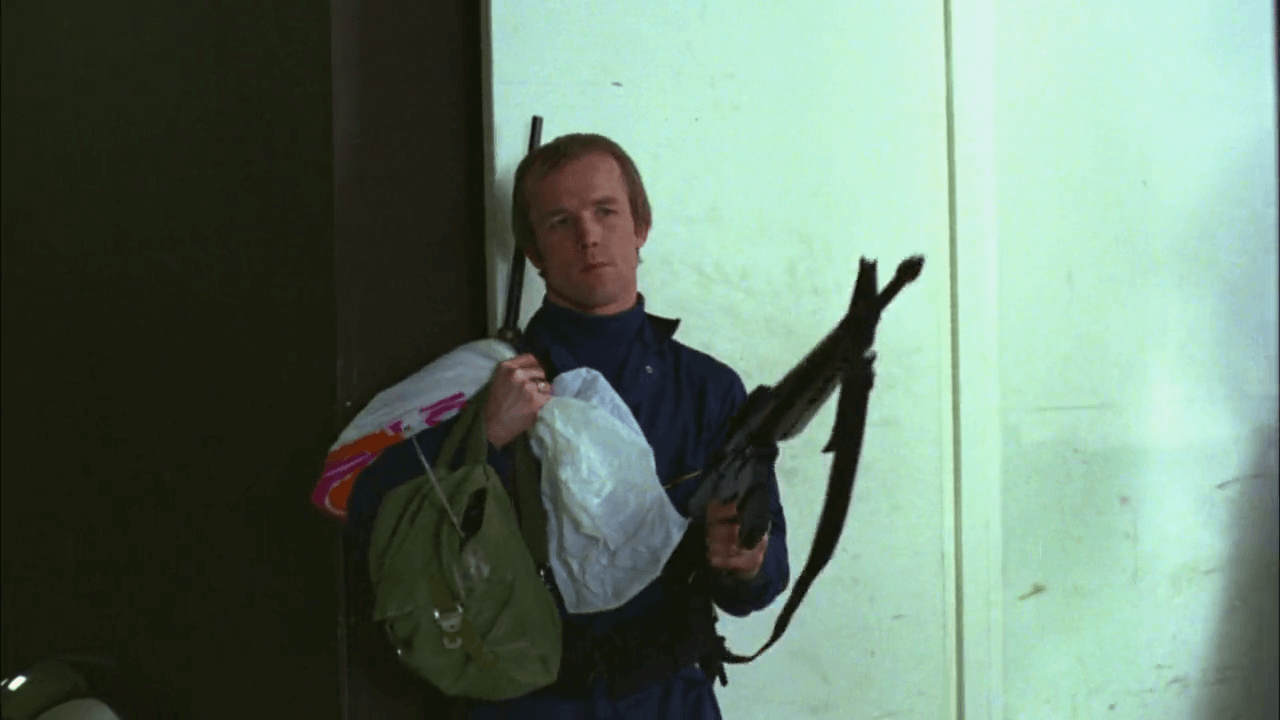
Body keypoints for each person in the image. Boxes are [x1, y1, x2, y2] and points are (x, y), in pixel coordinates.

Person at [345, 133, 790, 719]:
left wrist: (746, 564)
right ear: (534, 251)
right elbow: (372, 513)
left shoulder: (708, 389)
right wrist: (486, 437)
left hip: (668, 699)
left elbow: (762, 578)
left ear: (640, 226)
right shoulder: (481, 379)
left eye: (606, 211)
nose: (588, 235)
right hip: (523, 700)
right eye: (560, 222)